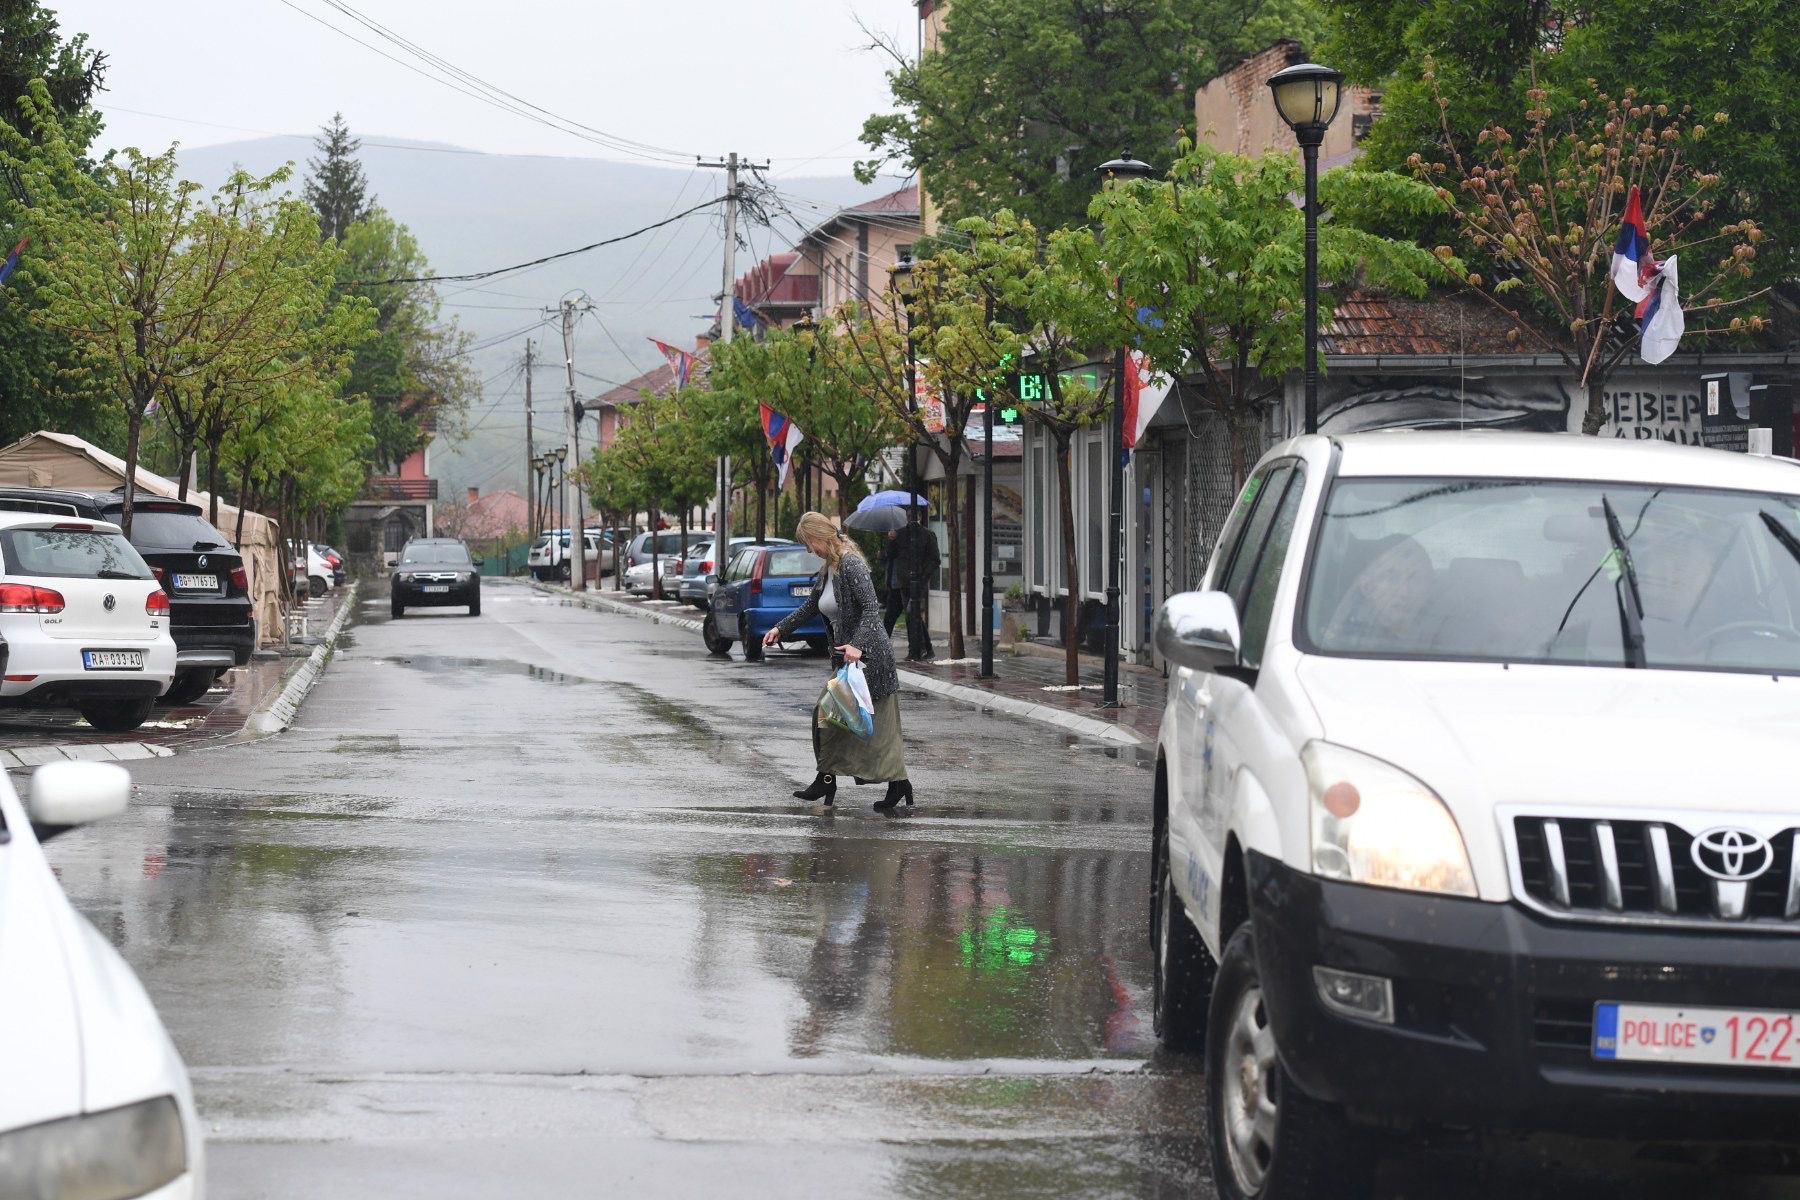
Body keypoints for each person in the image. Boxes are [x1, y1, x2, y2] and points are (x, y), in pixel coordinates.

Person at [767, 512, 914, 811]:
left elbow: (873, 610)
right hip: (848, 660)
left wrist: (858, 646)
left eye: (809, 543)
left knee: (878, 727)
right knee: (830, 719)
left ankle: (895, 784)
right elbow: (811, 605)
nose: (809, 551)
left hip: (870, 659)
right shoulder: (830, 568)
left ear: (820, 536)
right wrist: (781, 628)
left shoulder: (851, 564)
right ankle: (828, 780)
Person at [879, 514, 940, 662]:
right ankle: (919, 649)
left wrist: (922, 576)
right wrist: (891, 540)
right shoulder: (900, 534)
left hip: (914, 583)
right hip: (899, 584)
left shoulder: (927, 534)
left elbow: (934, 559)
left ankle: (919, 649)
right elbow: (890, 554)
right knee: (900, 616)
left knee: (912, 615)